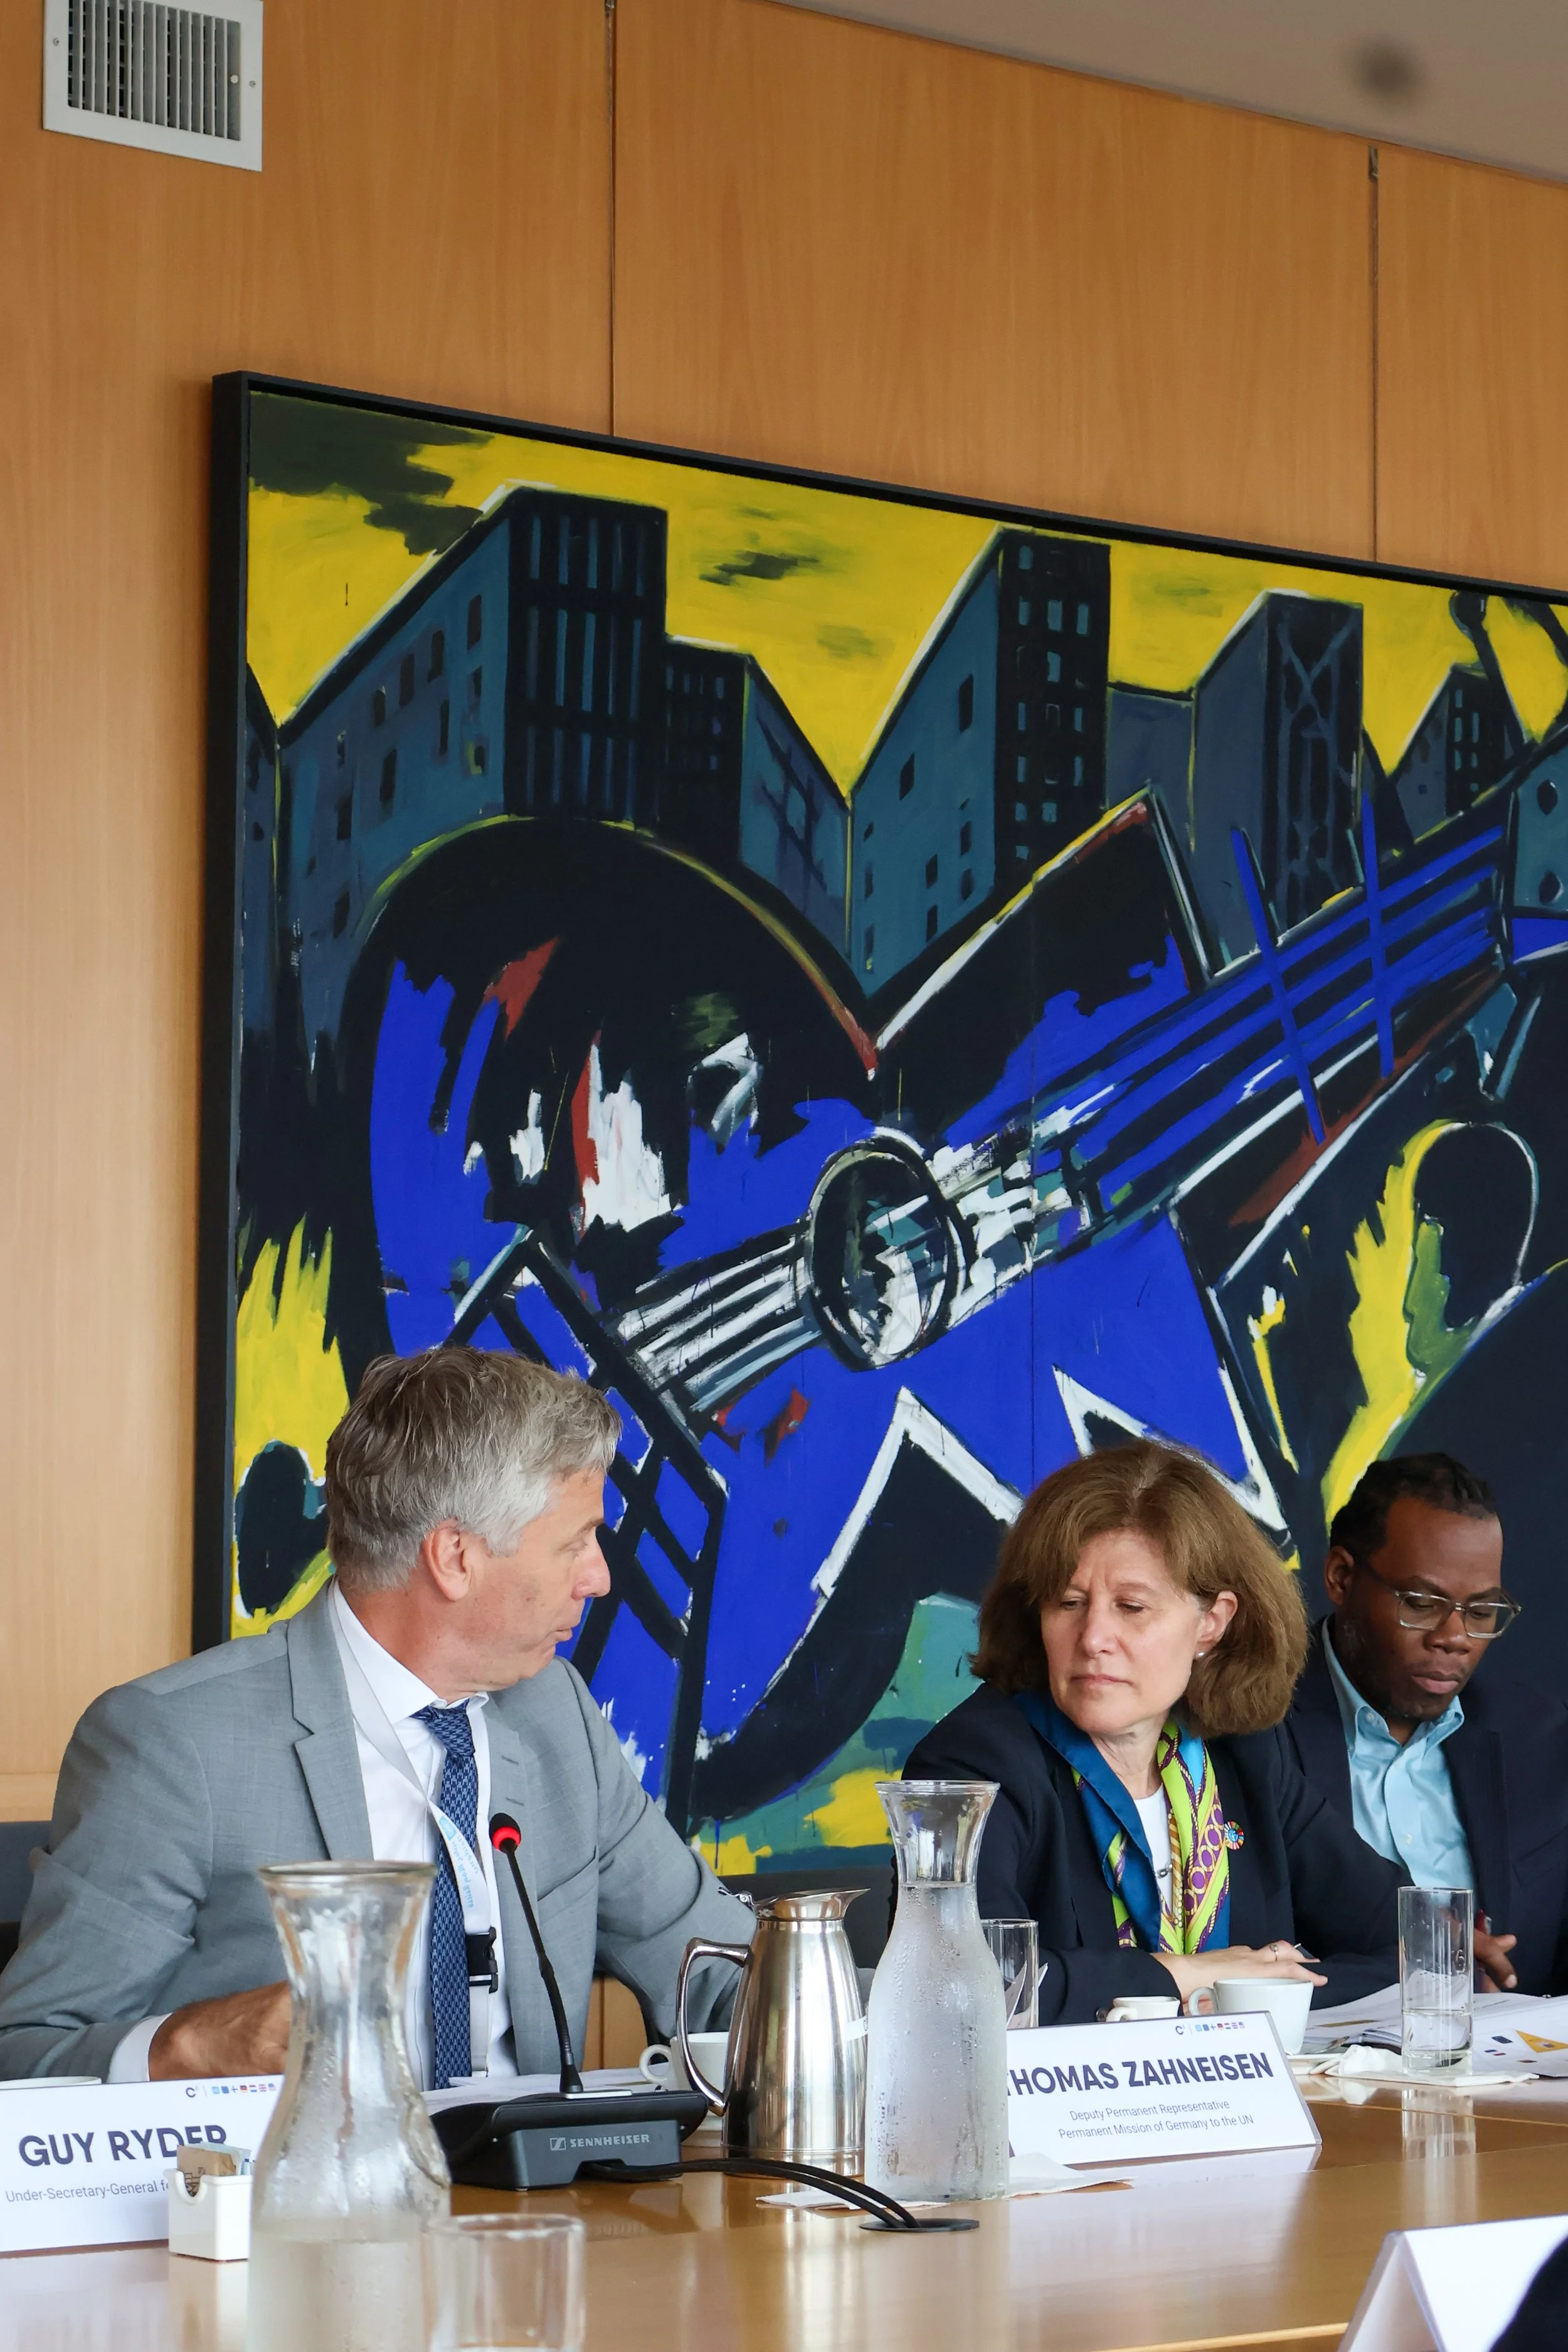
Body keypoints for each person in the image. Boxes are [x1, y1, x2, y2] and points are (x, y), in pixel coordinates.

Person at [0, 1349, 751, 2083]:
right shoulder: (172, 1744)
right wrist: (192, 2046)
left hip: (545, 2203)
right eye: (575, 1542)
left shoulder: (557, 1714)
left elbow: (720, 1975)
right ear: (455, 1557)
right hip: (297, 2200)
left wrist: (848, 2007)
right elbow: (26, 2055)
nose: (599, 1575)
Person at [906, 1443, 1402, 2024]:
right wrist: (1192, 1976)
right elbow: (958, 1983)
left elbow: (1404, 1941)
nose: (1093, 1637)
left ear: (1211, 1624)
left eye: (1132, 1607)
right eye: (1069, 1602)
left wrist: (1251, 1993)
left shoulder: (1243, 1755)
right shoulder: (970, 1764)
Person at [1284, 1453, 1568, 1997]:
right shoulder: (1255, 1725)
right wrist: (1431, 1965)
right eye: (1422, 1603)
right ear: (1341, 1578)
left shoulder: (1542, 1737)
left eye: (1482, 1612)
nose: (1455, 1637)